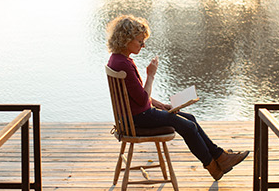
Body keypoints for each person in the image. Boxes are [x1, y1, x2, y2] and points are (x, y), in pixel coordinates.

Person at [105, 15, 249, 180]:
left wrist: (160, 106)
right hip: (138, 119)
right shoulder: (124, 64)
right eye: (139, 41)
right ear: (125, 39)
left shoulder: (118, 59)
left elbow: (134, 97)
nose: (143, 45)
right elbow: (143, 99)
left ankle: (220, 157)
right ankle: (213, 166)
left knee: (190, 118)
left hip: (136, 115)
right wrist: (150, 76)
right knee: (188, 127)